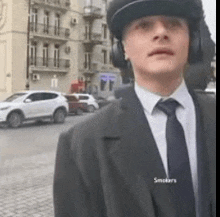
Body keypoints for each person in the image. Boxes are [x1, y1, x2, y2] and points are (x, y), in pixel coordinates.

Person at [53, 0, 216, 216]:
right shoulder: (80, 145)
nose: (161, 33)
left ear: (193, 43)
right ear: (122, 49)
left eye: (173, 24)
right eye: (144, 25)